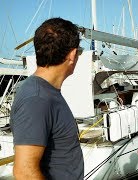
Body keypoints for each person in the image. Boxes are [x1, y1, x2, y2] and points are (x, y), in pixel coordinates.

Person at [10, 17, 84, 179]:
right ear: (72, 55)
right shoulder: (37, 99)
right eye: (79, 51)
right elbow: (24, 173)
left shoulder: (45, 92)